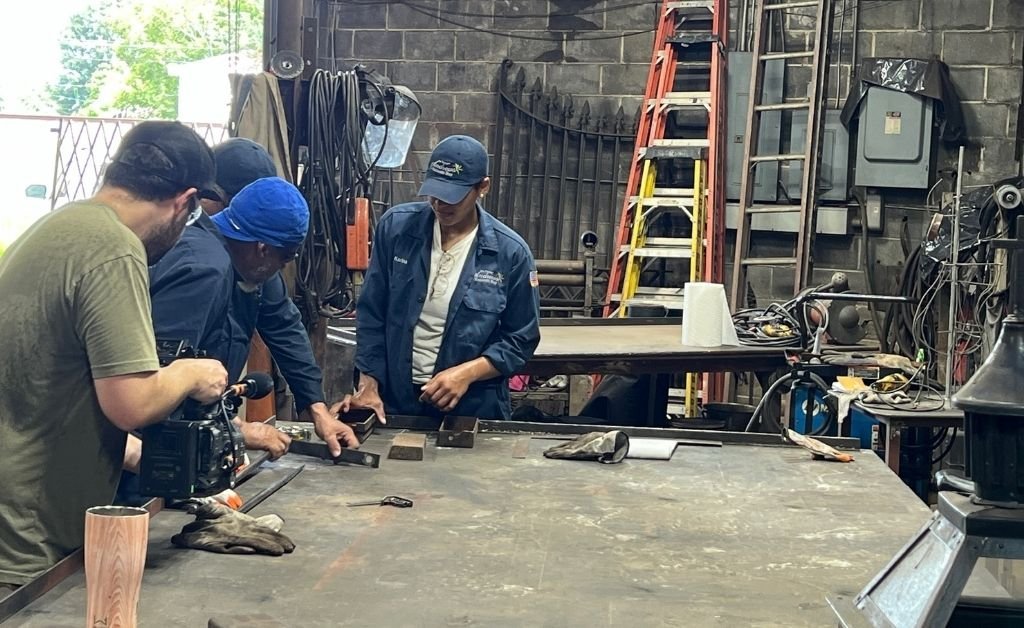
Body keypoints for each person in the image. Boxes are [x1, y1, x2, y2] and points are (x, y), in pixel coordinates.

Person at [0, 121, 229, 591]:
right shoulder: (115, 249)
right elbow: (132, 403)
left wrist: (132, 454)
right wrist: (189, 373)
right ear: (185, 202)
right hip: (30, 541)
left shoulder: (57, 226)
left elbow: (43, 387)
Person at [147, 146, 357, 458]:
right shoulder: (202, 268)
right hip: (151, 442)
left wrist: (317, 408)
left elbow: (284, 325)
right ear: (262, 248)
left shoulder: (249, 261)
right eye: (286, 257)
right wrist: (237, 430)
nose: (284, 266)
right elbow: (162, 375)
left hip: (197, 430)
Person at [339, 135, 541, 422]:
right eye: (434, 192)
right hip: (397, 401)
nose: (440, 203)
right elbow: (372, 314)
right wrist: (368, 384)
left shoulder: (510, 254)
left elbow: (520, 338)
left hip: (473, 409)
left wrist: (466, 373)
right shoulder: (396, 230)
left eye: (453, 196)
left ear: (482, 187)